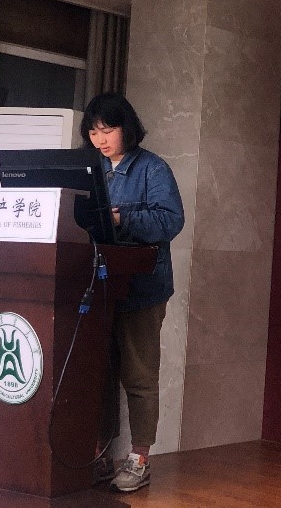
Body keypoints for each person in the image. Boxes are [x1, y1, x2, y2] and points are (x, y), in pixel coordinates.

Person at [82, 92, 185, 493]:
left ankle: (140, 457)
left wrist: (121, 216)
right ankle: (99, 454)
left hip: (143, 288)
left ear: (127, 128)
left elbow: (170, 221)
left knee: (139, 375)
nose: (100, 139)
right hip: (98, 286)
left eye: (108, 129)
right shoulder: (90, 168)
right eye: (94, 131)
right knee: (99, 374)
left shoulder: (151, 168)